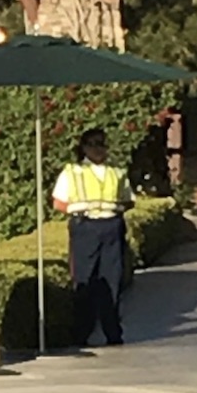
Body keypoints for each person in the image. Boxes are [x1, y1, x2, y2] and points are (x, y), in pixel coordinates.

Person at [52, 128, 135, 347]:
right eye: (92, 144)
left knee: (112, 279)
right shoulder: (72, 172)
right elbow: (59, 203)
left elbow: (128, 200)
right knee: (84, 280)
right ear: (84, 148)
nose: (98, 148)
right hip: (85, 226)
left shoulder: (116, 173)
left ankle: (112, 332)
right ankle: (81, 333)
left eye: (101, 144)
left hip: (111, 226)